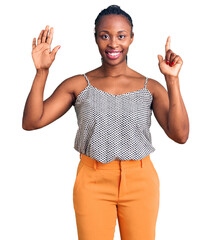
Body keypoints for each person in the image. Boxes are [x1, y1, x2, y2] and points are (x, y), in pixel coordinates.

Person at [22, 4, 189, 240]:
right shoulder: (78, 85)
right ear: (96, 38)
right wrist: (42, 72)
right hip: (92, 181)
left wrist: (172, 81)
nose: (113, 43)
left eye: (121, 36)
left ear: (131, 38)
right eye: (105, 36)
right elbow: (32, 121)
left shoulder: (150, 87)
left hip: (140, 181)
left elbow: (180, 135)